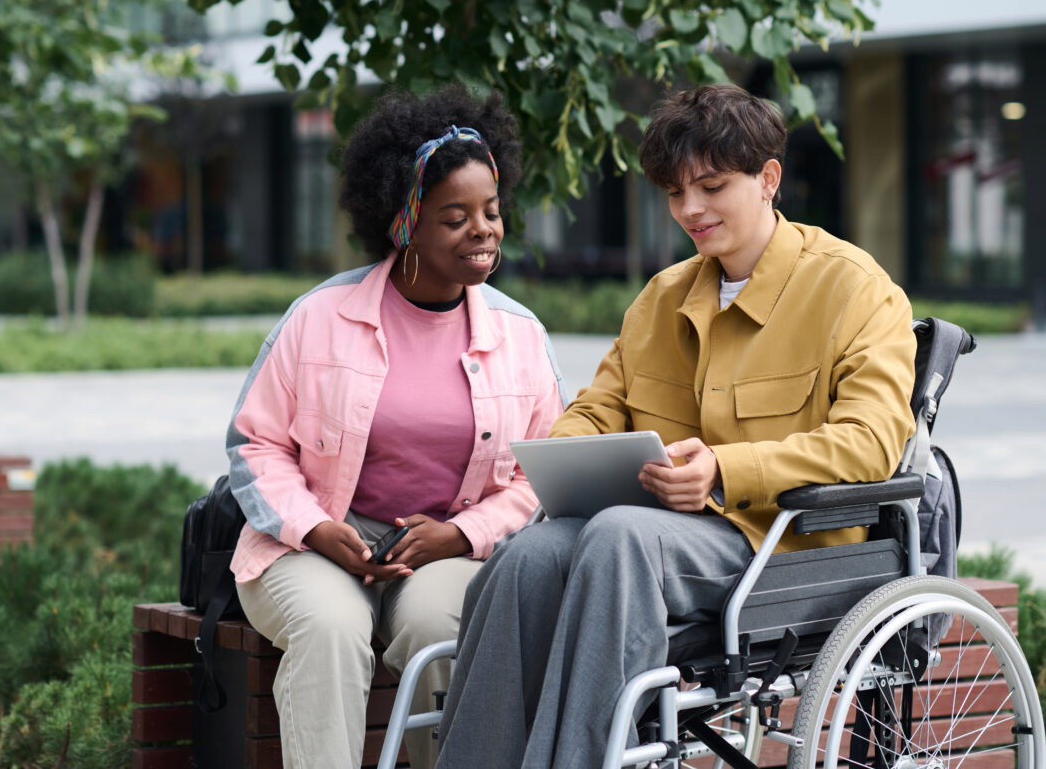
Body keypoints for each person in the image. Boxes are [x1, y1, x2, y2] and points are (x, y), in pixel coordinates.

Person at [434, 83, 917, 769]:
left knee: (618, 537)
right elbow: (602, 407)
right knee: (530, 556)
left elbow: (869, 445)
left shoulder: (853, 289)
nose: (690, 209)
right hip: (657, 534)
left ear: (768, 179)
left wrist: (725, 469)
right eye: (674, 192)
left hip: (786, 546)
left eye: (712, 186)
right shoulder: (662, 298)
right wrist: (564, 456)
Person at [226, 85, 567, 769]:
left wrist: (461, 534)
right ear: (404, 221)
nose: (484, 230)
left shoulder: (520, 336)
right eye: (455, 217)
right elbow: (254, 445)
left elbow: (543, 473)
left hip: (447, 547)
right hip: (313, 540)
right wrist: (318, 529)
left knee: (440, 626)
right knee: (331, 626)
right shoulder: (319, 317)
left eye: (492, 212)